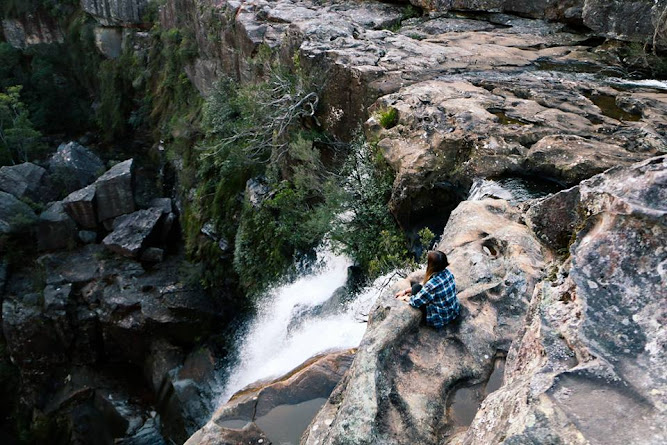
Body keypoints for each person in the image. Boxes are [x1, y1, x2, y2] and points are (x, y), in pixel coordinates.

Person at [395, 250, 460, 329]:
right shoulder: (447, 272)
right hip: (453, 310)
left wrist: (404, 298)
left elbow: (415, 301)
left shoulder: (431, 286)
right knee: (416, 287)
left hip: (441, 318)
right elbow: (423, 284)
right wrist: (404, 291)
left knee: (416, 289)